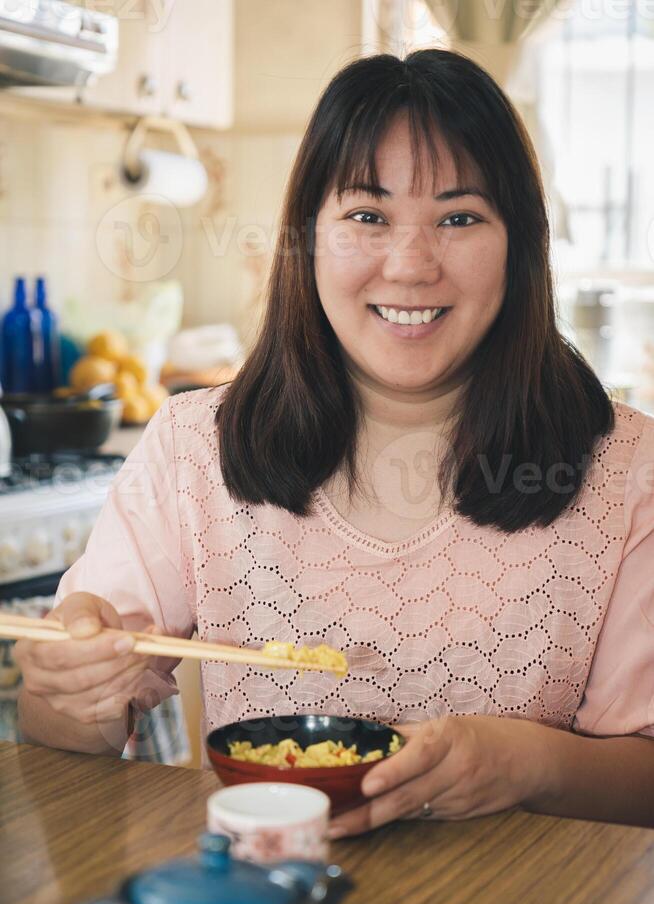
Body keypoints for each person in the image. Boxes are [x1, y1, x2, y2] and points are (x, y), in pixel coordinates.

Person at [15, 49, 654, 836]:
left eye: (459, 217)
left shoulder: (629, 472)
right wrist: (66, 689)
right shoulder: (192, 450)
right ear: (306, 239)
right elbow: (71, 735)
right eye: (367, 216)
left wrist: (528, 762)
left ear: (519, 245)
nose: (411, 264)